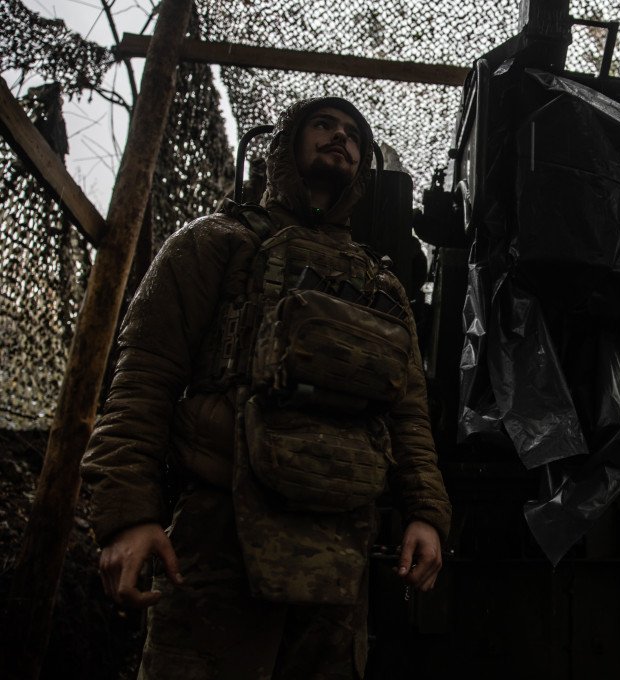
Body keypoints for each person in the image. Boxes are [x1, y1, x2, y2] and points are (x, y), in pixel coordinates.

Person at [82, 97, 451, 679]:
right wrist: (128, 516)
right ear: (285, 146)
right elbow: (143, 379)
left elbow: (407, 415)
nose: (340, 138)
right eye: (323, 126)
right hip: (220, 532)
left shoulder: (379, 283)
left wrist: (426, 513)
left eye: (353, 133)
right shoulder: (213, 243)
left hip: (340, 548)